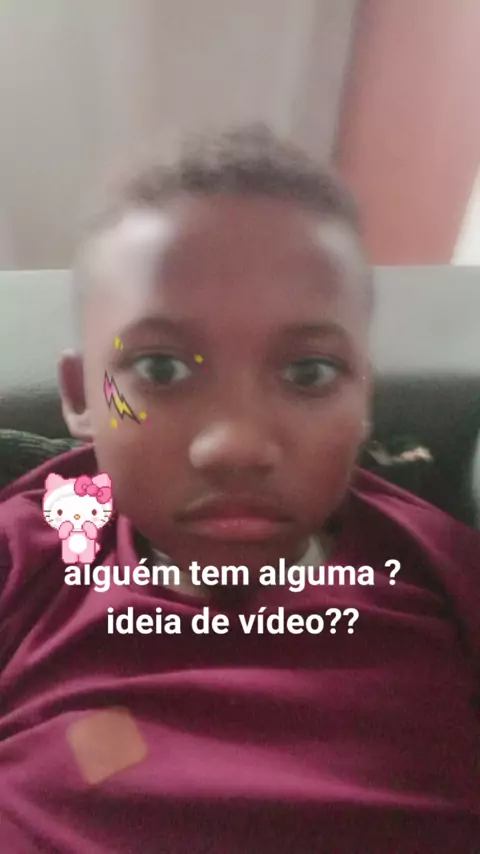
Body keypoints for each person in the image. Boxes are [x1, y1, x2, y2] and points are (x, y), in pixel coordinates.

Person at [0, 126, 479, 853]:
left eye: (309, 373)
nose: (236, 447)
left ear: (364, 400)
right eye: (160, 370)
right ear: (80, 396)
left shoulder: (441, 570)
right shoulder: (27, 557)